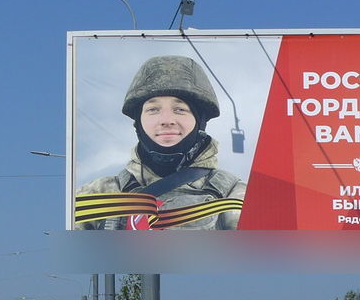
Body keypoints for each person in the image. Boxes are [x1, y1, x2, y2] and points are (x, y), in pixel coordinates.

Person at [74, 54, 246, 230]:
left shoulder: (234, 195)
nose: (166, 120)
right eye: (153, 109)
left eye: (180, 109)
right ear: (138, 121)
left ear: (199, 121)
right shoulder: (96, 195)